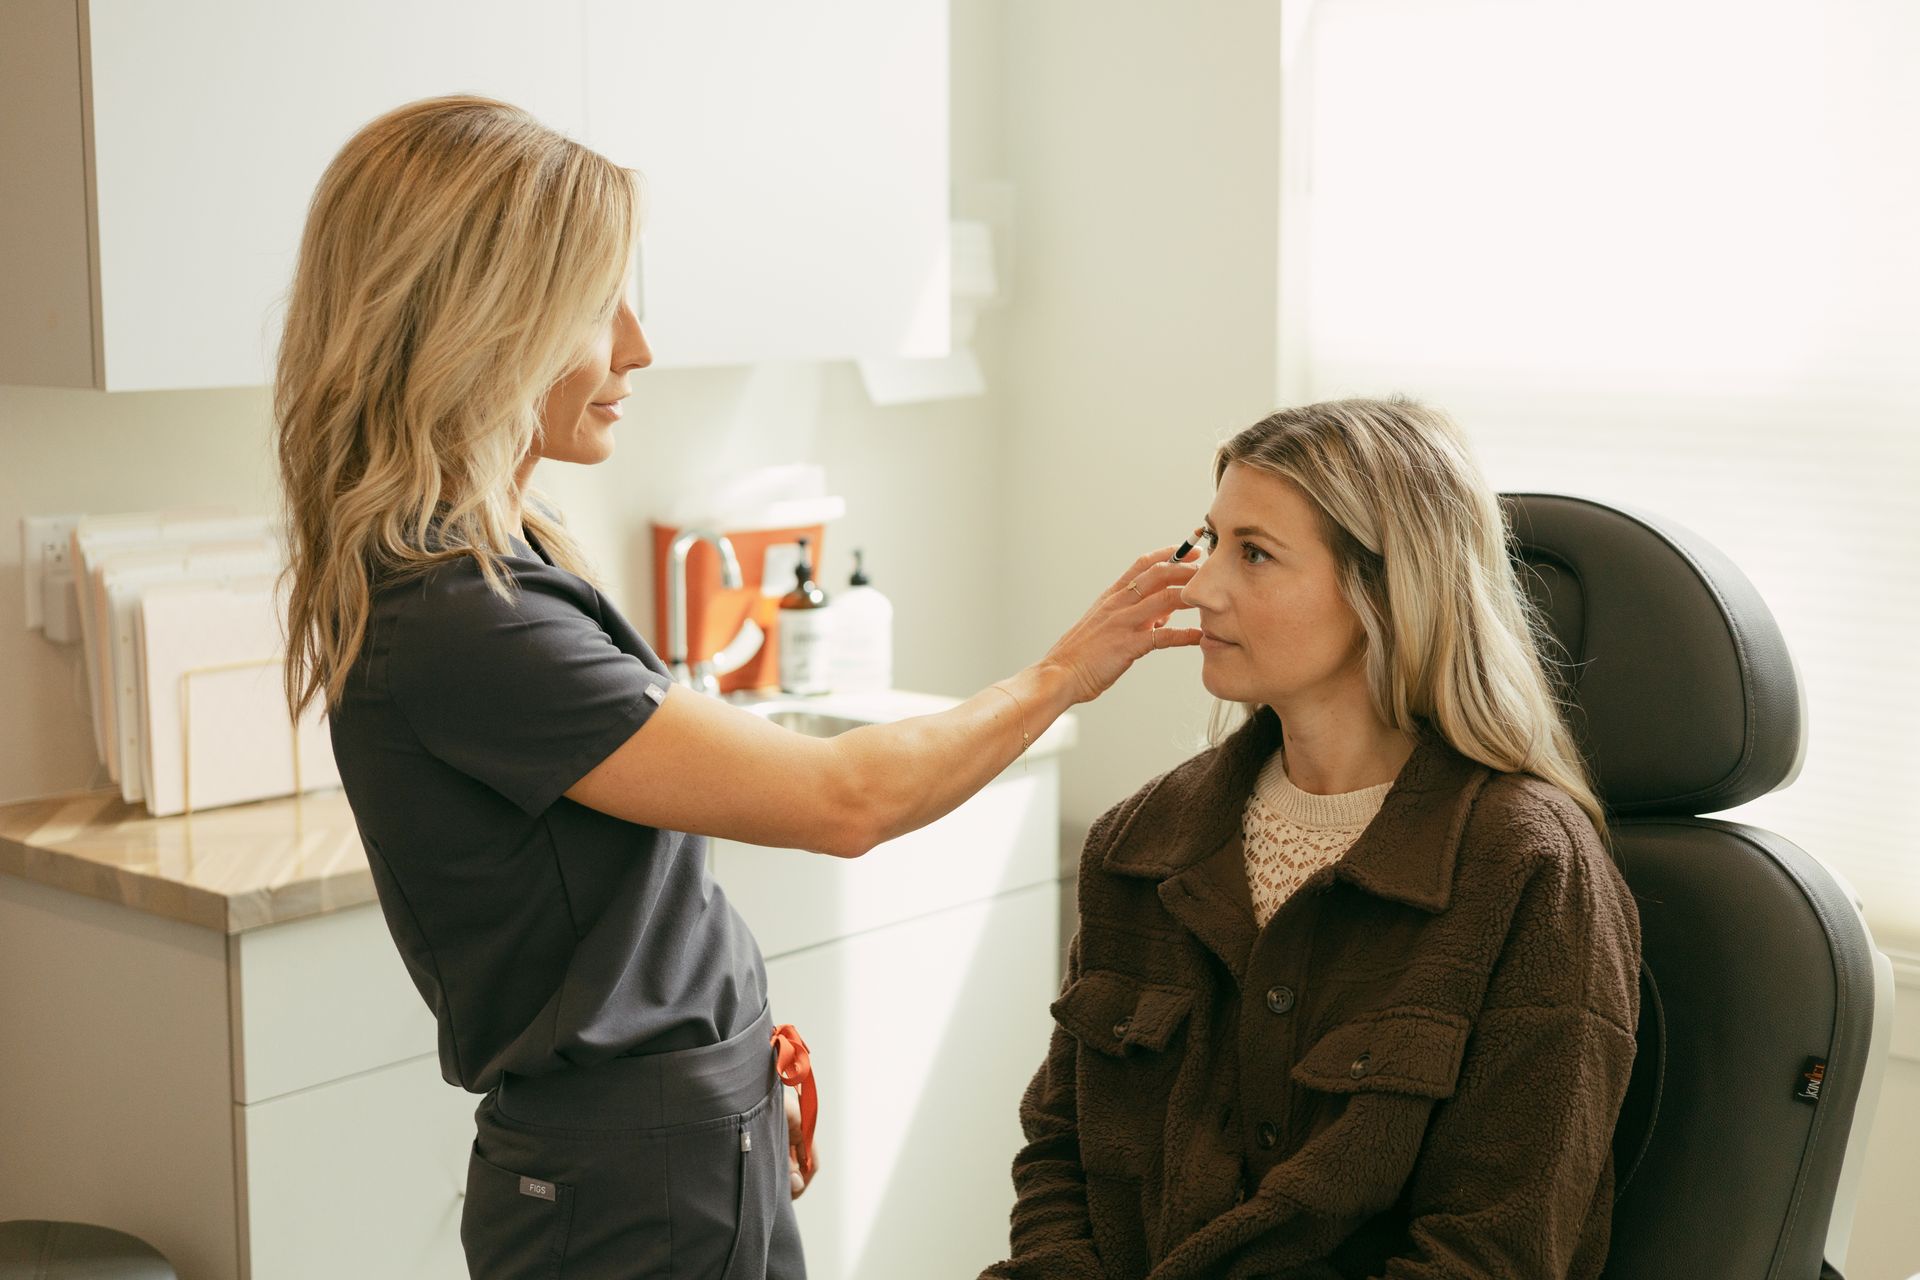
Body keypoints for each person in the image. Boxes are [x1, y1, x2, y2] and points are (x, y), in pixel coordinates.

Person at [274, 95, 1200, 1280]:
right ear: (485, 324)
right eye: (594, 307)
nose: (636, 347)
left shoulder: (504, 557)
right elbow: (845, 797)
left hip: (673, 1133)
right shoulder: (461, 618)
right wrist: (1068, 670)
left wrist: (730, 1045)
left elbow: (614, 906)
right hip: (627, 1174)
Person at [984, 398, 1642, 1280]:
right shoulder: (1139, 843)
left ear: (1386, 588)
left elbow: (1493, 1252)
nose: (1201, 585)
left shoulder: (1529, 868)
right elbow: (1060, 1156)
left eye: (1254, 554)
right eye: (1210, 541)